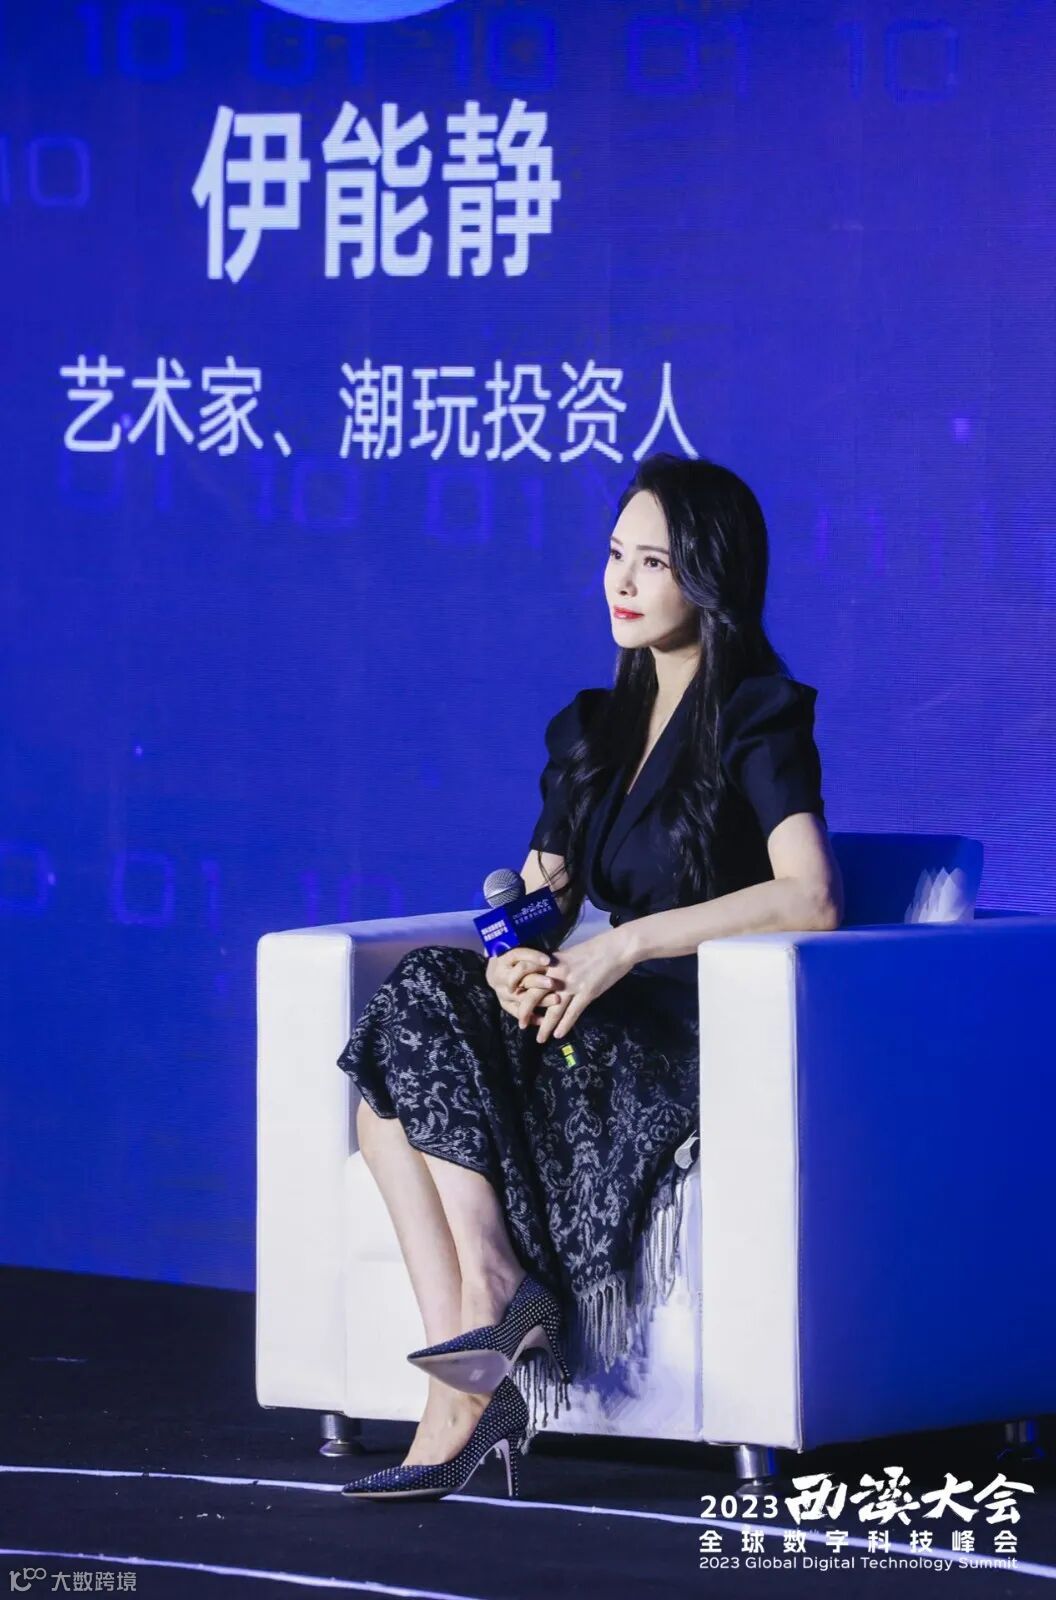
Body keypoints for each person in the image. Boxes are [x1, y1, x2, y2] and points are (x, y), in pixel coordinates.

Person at [336, 452, 844, 1502]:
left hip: (682, 1029)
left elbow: (811, 897)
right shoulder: (590, 729)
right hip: (583, 1010)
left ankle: (485, 1320)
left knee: (396, 1078)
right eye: (616, 554)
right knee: (395, 1056)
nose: (622, 581)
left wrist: (626, 944)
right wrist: (515, 961)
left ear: (709, 576)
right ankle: (467, 1360)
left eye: (653, 562)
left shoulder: (757, 713)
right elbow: (540, 899)